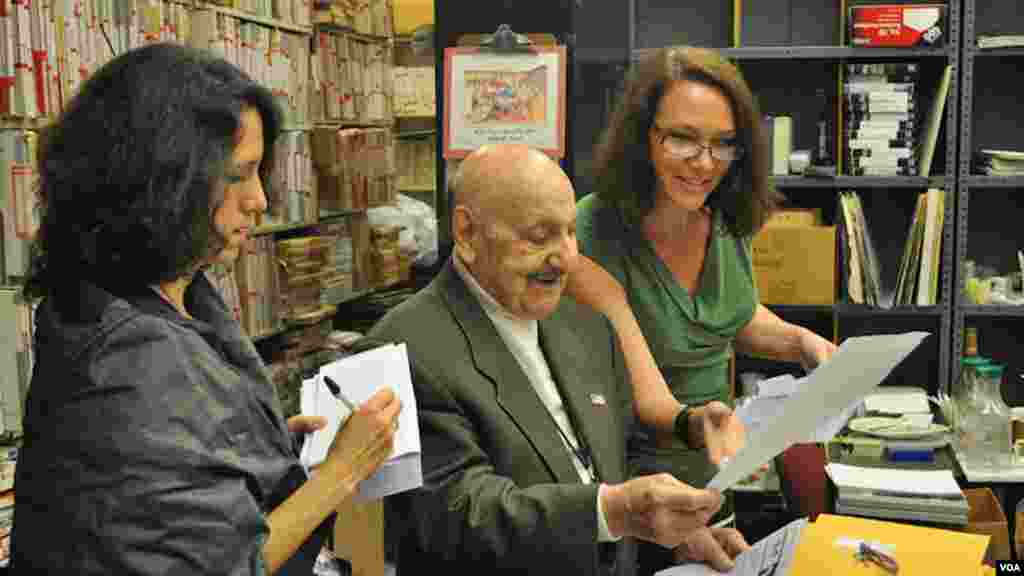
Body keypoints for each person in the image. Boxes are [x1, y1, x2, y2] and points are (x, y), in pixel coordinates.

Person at [12, 43, 401, 574]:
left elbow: (162, 471)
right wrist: (340, 473)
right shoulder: (130, 358)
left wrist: (256, 452)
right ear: (163, 179)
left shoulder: (152, 293)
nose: (260, 200)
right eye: (239, 174)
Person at [368, 143, 750, 576]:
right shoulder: (402, 350)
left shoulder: (587, 329)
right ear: (468, 233)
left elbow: (616, 465)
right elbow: (458, 516)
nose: (566, 256)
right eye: (539, 236)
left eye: (570, 232)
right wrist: (614, 512)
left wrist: (677, 539)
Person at [576, 46, 838, 574]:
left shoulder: (721, 219)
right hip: (636, 502)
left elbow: (729, 314)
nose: (705, 163)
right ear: (641, 137)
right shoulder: (595, 231)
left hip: (712, 489)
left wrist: (801, 342)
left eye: (723, 144)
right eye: (682, 138)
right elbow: (594, 392)